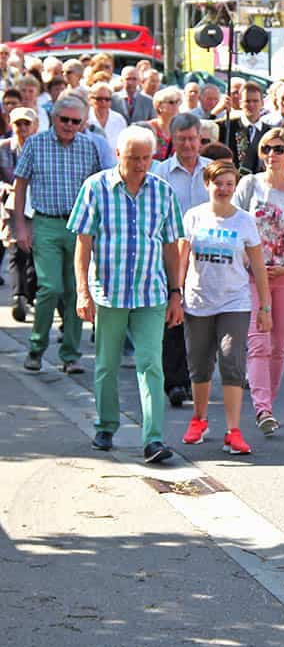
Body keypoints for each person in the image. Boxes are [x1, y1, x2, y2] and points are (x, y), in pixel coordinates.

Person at [69, 125, 185, 462]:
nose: (140, 165)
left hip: (151, 292)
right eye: (133, 158)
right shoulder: (96, 188)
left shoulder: (162, 191)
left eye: (146, 158)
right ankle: (106, 425)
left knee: (151, 365)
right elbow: (83, 243)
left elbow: (170, 246)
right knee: (106, 364)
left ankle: (153, 439)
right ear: (118, 154)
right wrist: (82, 291)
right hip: (110, 291)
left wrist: (175, 292)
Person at [179, 162, 272, 455]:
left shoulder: (244, 221)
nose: (224, 189)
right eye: (218, 183)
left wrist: (265, 307)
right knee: (200, 363)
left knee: (232, 360)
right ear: (207, 184)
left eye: (230, 184)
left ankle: (234, 431)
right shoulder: (194, 216)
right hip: (198, 300)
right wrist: (174, 295)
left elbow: (258, 265)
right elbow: (181, 260)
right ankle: (199, 419)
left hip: (235, 301)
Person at [231, 128, 284, 435]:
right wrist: (248, 263)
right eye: (266, 148)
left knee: (279, 344)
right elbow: (234, 225)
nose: (272, 155)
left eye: (279, 149)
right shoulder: (248, 185)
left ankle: (269, 403)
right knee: (258, 342)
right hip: (252, 274)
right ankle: (262, 408)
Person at [12, 97, 102, 374]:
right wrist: (21, 226)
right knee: (50, 288)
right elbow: (21, 184)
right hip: (47, 223)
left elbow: (99, 189)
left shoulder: (88, 146)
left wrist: (99, 228)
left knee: (77, 291)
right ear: (54, 118)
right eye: (65, 119)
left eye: (76, 121)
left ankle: (70, 355)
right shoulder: (36, 144)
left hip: (79, 228)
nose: (69, 126)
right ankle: (37, 348)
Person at [150, 111, 212, 407]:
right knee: (173, 315)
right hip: (171, 252)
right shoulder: (160, 173)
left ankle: (196, 377)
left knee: (201, 320)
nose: (188, 145)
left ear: (200, 139)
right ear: (172, 140)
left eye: (192, 139)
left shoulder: (213, 171)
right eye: (182, 139)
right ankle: (175, 382)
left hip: (208, 256)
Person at [1, 108, 38, 321]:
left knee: (32, 251)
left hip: (35, 205)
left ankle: (30, 294)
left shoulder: (40, 148)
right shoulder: (3, 148)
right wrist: (5, 188)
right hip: (10, 206)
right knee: (16, 251)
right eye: (18, 124)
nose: (22, 128)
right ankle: (18, 296)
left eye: (26, 124)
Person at [220, 81, 268, 173]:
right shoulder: (227, 127)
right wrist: (216, 111)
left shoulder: (269, 132)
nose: (251, 105)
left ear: (262, 103)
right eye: (247, 101)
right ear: (241, 103)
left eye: (255, 101)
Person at [87, 82, 127, 148]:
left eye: (107, 99)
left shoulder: (119, 119)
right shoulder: (85, 118)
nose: (103, 102)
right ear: (90, 99)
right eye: (99, 99)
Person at [147, 86, 183, 160]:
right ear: (159, 106)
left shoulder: (180, 130)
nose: (175, 105)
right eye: (171, 102)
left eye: (177, 102)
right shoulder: (148, 128)